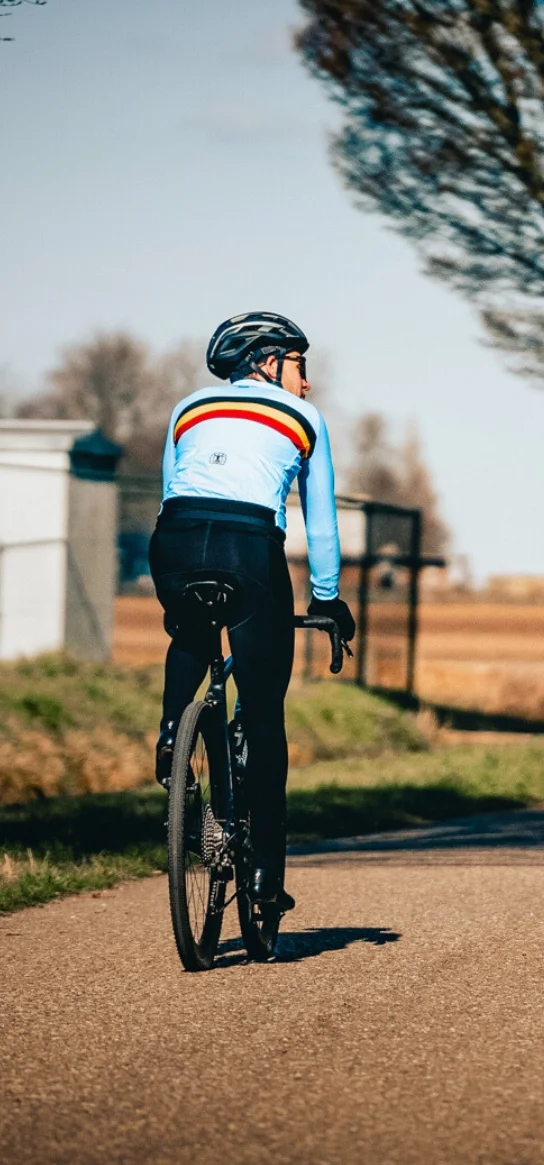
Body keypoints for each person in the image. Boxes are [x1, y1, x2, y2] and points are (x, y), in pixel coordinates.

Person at [148, 311, 355, 913]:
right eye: (300, 366)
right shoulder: (305, 418)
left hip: (176, 540)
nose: (307, 382)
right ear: (268, 362)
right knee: (263, 712)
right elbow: (321, 520)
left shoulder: (189, 407)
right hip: (249, 547)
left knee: (190, 632)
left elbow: (172, 491)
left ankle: (171, 742)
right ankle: (264, 878)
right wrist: (326, 596)